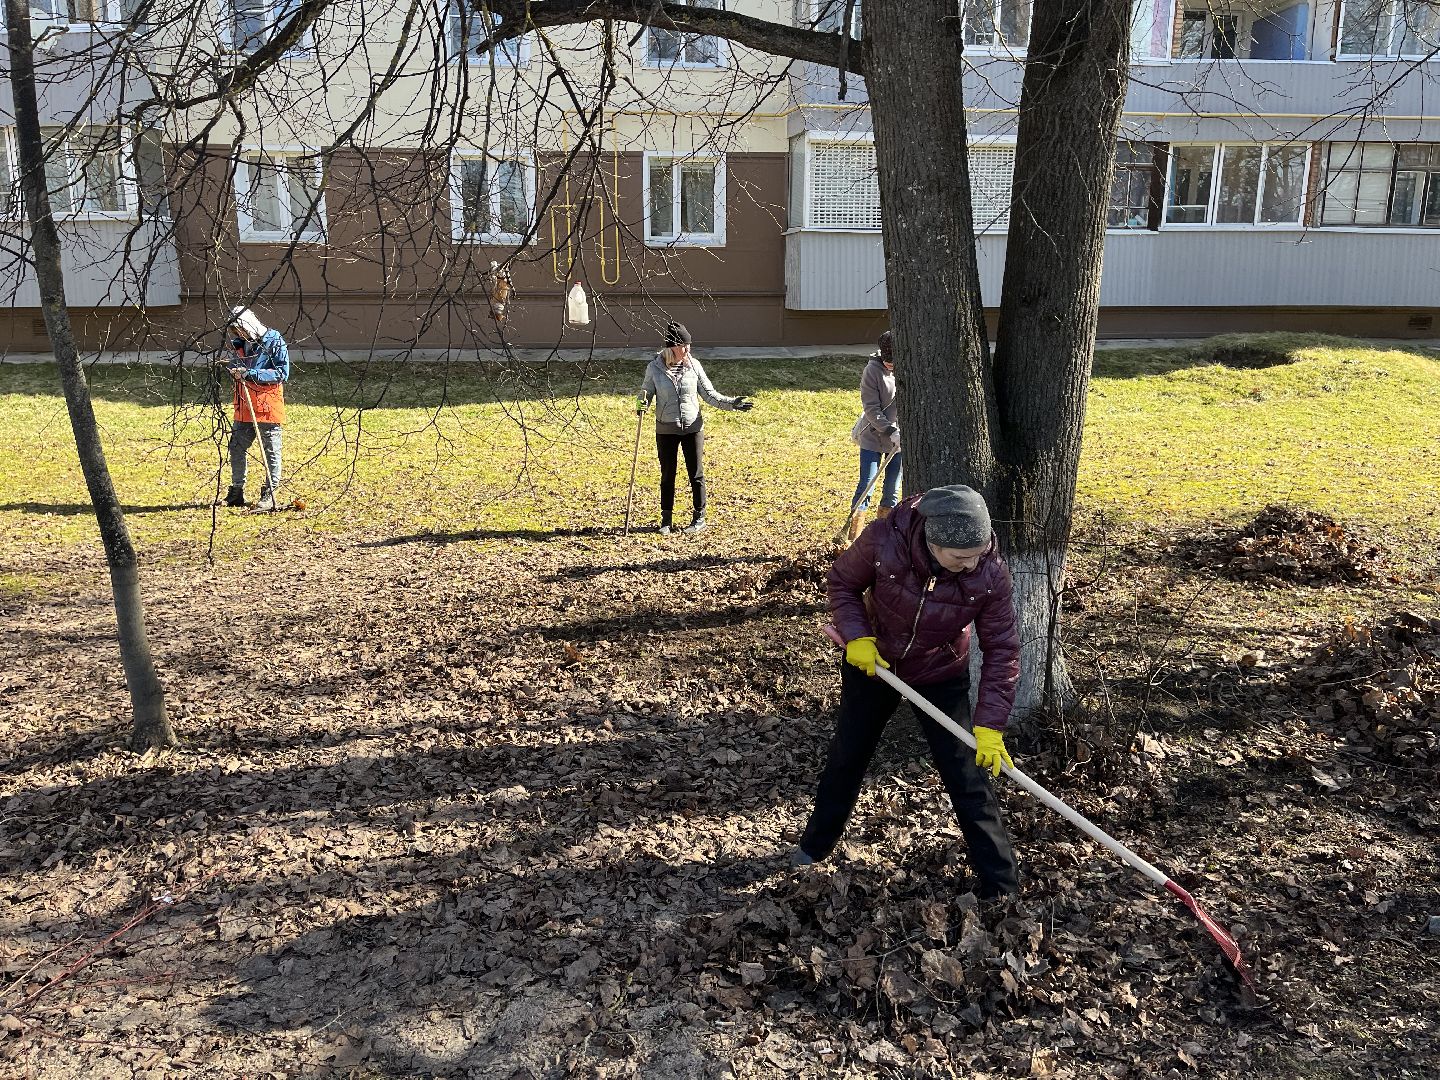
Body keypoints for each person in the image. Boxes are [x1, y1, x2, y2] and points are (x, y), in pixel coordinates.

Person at [795, 484, 1022, 900]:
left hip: (940, 671)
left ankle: (1001, 884)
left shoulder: (990, 574)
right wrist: (857, 636)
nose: (971, 565)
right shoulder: (886, 539)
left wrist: (989, 725)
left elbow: (1003, 648)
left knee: (966, 773)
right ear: (932, 542)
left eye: (978, 553)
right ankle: (814, 846)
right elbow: (843, 583)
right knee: (849, 753)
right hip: (873, 662)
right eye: (960, 558)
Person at [637, 321, 754, 535]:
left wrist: (732, 404)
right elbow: (646, 392)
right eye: (684, 346)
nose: (688, 350)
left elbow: (709, 394)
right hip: (666, 429)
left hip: (693, 427)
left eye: (689, 345)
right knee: (667, 474)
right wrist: (641, 403)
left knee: (696, 474)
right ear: (672, 346)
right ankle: (666, 519)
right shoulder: (654, 368)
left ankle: (699, 518)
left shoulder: (694, 365)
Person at [221, 307, 290, 512]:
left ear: (248, 324)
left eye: (240, 329)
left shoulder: (274, 340)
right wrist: (234, 372)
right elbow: (238, 369)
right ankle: (236, 492)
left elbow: (281, 373)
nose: (238, 334)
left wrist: (249, 374)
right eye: (235, 330)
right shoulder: (239, 345)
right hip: (244, 406)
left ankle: (270, 493)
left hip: (267, 407)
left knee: (270, 452)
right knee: (236, 448)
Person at [848, 329, 902, 543]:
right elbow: (871, 409)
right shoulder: (872, 371)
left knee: (892, 489)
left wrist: (901, 434)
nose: (890, 364)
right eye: (887, 360)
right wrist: (890, 430)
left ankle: (886, 538)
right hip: (873, 437)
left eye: (894, 360)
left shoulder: (908, 367)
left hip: (898, 443)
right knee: (866, 485)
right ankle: (854, 539)